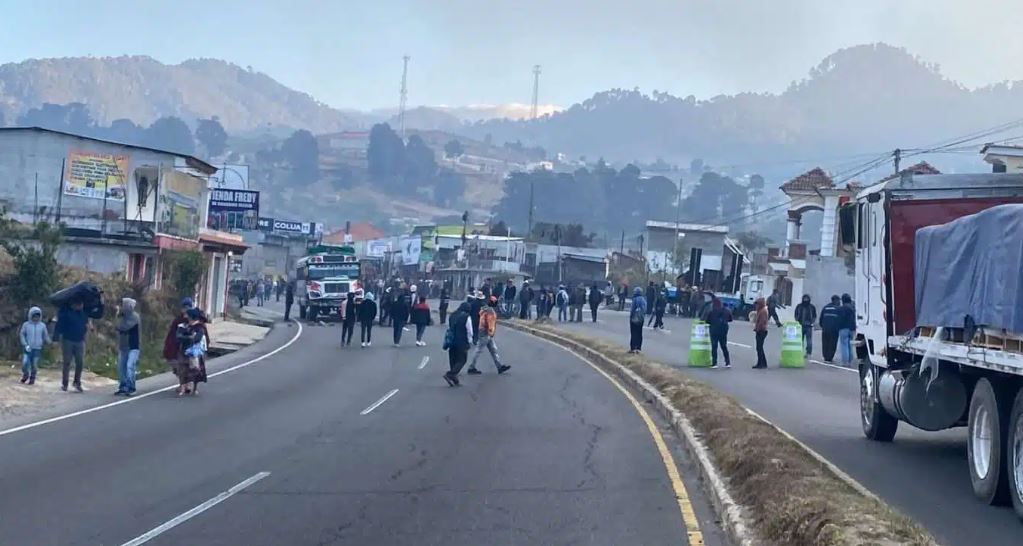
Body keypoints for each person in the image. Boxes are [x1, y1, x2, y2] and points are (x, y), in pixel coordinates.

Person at [467, 297, 511, 375]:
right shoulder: (490, 311)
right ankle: (471, 367)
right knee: (479, 350)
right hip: (486, 332)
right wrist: (491, 332)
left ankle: (499, 366)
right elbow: (490, 323)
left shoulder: (484, 309)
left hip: (483, 331)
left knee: (493, 350)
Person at [55, 300, 90, 392]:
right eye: (78, 304)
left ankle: (77, 382)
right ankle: (65, 383)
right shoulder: (66, 313)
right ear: (73, 304)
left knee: (80, 362)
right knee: (67, 362)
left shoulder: (83, 314)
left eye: (81, 304)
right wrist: (57, 339)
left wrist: (87, 331)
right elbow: (60, 326)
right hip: (68, 340)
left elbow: (86, 325)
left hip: (80, 340)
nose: (80, 306)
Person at [174, 307, 209, 396]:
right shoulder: (184, 326)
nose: (186, 317)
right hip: (184, 350)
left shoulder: (200, 327)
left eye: (188, 315)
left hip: (195, 352)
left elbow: (197, 339)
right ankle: (183, 388)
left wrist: (186, 337)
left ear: (191, 317)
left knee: (195, 370)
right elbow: (178, 337)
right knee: (182, 370)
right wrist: (189, 337)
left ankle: (195, 388)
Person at [443, 302, 474, 386]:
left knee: (453, 360)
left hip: (452, 340)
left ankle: (455, 379)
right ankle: (450, 374)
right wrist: (470, 341)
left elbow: (450, 326)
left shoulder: (452, 315)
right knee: (462, 360)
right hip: (462, 341)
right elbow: (469, 331)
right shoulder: (466, 317)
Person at [114, 297, 141, 396]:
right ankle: (123, 386)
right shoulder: (121, 317)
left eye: (122, 305)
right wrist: (117, 316)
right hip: (123, 346)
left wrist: (118, 319)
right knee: (121, 367)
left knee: (130, 366)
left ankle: (131, 387)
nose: (120, 307)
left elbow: (123, 327)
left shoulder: (134, 317)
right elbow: (116, 326)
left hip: (133, 346)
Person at [19, 306, 51, 385]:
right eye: (34, 316)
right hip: (28, 348)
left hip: (37, 348)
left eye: (37, 316)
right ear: (31, 316)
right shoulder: (26, 325)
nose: (36, 318)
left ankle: (32, 378)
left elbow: (45, 336)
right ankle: (25, 375)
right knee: (25, 363)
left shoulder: (42, 326)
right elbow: (22, 334)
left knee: (34, 365)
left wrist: (50, 342)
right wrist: (25, 344)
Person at [705, 296, 733, 368]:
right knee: (724, 346)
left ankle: (714, 363)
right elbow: (730, 319)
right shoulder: (727, 310)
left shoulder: (712, 311)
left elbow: (707, 321)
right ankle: (727, 362)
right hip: (723, 330)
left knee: (714, 346)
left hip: (714, 330)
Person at [818, 295, 842, 363]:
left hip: (825, 328)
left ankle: (825, 356)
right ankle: (829, 357)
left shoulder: (825, 307)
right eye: (838, 300)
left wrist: (822, 326)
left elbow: (821, 318)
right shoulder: (838, 309)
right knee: (832, 343)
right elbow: (840, 319)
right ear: (835, 300)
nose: (839, 302)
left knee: (825, 343)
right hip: (834, 329)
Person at [838, 293, 856, 366]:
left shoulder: (842, 308)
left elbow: (840, 318)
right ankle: (850, 361)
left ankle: (845, 362)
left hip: (843, 328)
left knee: (844, 345)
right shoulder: (853, 308)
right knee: (850, 345)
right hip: (852, 328)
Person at [629, 287, 647, 353]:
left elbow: (632, 309)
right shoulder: (643, 300)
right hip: (641, 319)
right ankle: (639, 348)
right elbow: (645, 310)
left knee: (633, 333)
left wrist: (631, 317)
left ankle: (633, 348)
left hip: (634, 318)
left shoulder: (635, 299)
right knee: (639, 333)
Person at [753, 297, 769, 369]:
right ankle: (763, 363)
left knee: (759, 348)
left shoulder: (763, 311)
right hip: (761, 330)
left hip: (761, 331)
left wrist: (757, 329)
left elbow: (762, 322)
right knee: (760, 348)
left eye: (757, 304)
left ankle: (761, 363)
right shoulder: (760, 311)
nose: (756, 306)